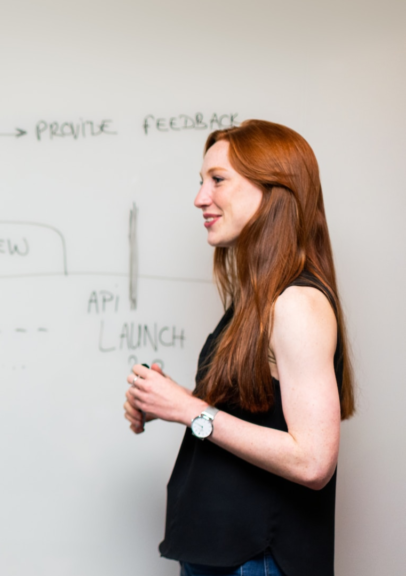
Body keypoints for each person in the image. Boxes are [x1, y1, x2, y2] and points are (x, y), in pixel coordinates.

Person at [122, 120, 354, 576]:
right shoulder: (257, 301)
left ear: (274, 191)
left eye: (218, 180)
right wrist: (170, 401)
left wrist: (190, 412)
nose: (200, 198)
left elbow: (313, 461)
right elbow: (254, 413)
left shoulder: (297, 304)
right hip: (221, 555)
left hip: (255, 562)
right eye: (201, 181)